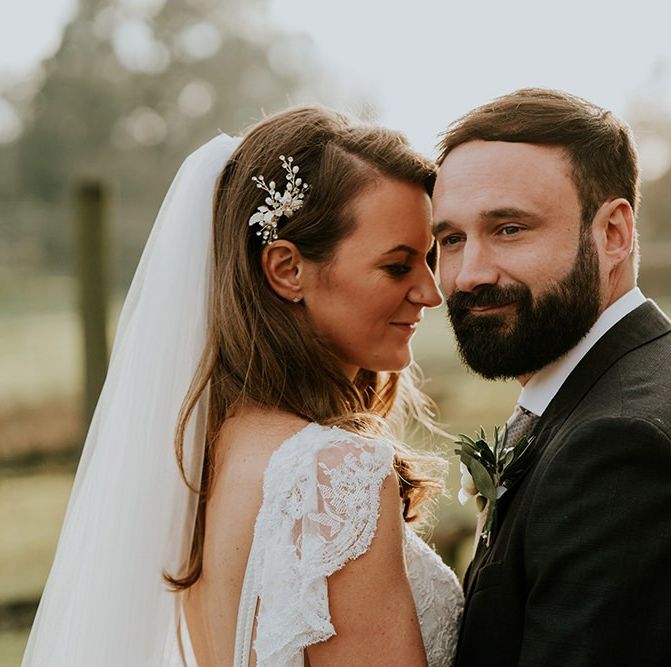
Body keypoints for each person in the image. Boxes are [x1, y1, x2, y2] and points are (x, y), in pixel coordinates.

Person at [22, 106, 463, 666]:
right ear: (286, 269)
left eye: (429, 259)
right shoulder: (331, 473)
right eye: (399, 267)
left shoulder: (200, 458)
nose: (431, 292)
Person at [432, 88, 671, 665]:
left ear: (613, 234)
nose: (469, 274)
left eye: (510, 228)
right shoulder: (633, 381)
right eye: (450, 239)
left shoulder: (623, 446)